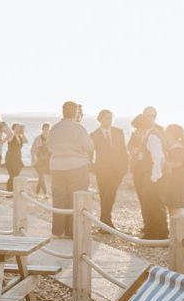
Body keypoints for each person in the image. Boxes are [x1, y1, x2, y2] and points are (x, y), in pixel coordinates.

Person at [47, 101, 93, 238]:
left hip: (57, 166)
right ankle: (73, 230)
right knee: (76, 199)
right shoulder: (79, 128)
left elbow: (49, 147)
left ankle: (57, 230)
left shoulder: (54, 128)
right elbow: (89, 146)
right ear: (76, 112)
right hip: (77, 166)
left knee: (59, 198)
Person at [131, 114, 168, 240]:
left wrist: (154, 176)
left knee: (155, 204)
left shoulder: (152, 136)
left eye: (137, 129)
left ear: (141, 127)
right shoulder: (149, 135)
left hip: (154, 175)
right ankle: (152, 231)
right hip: (150, 174)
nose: (136, 132)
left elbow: (158, 157)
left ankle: (160, 233)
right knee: (149, 204)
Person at [90, 110, 128, 230]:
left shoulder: (118, 132)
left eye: (111, 118)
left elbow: (124, 150)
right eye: (107, 118)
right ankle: (105, 222)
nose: (110, 120)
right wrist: (93, 168)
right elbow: (89, 154)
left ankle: (105, 221)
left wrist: (125, 167)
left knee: (110, 193)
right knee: (104, 194)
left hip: (118, 170)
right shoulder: (94, 135)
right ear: (100, 119)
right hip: (102, 170)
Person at [164, 124, 184, 220]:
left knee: (175, 205)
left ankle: (181, 231)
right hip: (175, 180)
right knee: (172, 205)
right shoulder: (175, 146)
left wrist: (164, 164)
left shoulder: (177, 147)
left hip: (177, 180)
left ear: (171, 134)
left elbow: (177, 163)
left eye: (166, 132)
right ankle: (177, 231)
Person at [5, 123, 27, 191]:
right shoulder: (11, 136)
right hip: (10, 158)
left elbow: (25, 141)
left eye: (19, 128)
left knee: (15, 175)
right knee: (12, 175)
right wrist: (14, 133)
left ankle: (12, 190)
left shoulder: (20, 137)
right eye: (16, 128)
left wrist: (22, 133)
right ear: (13, 129)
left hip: (18, 158)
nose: (18, 129)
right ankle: (9, 191)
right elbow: (9, 140)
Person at [30, 123, 51, 196]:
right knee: (41, 177)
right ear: (42, 130)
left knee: (41, 178)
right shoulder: (37, 139)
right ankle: (45, 194)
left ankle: (36, 194)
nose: (46, 131)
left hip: (46, 163)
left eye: (48, 129)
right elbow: (32, 150)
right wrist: (34, 159)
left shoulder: (51, 139)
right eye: (45, 129)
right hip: (38, 162)